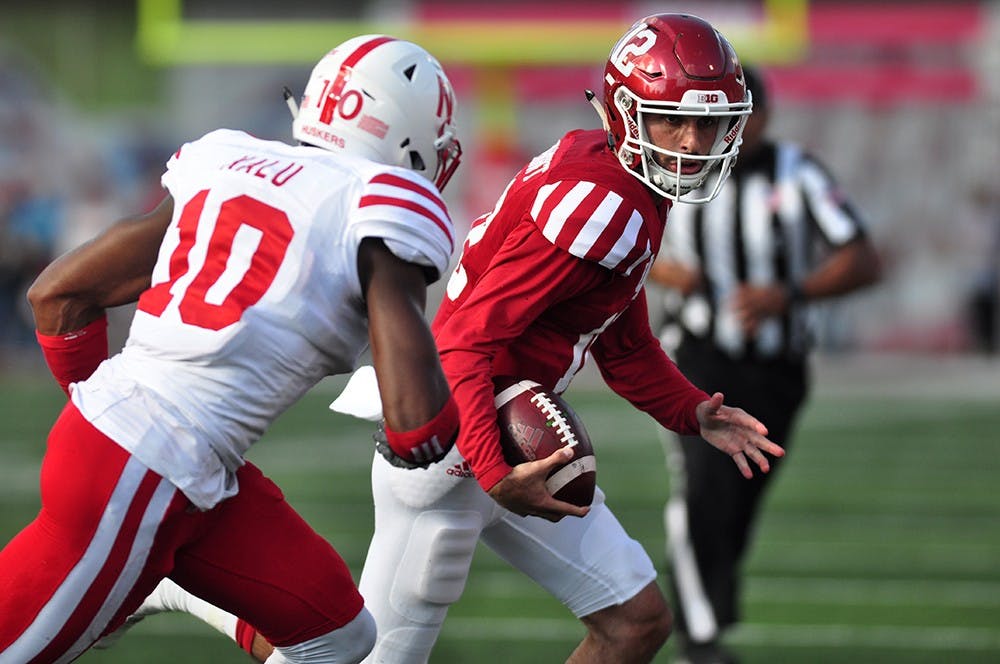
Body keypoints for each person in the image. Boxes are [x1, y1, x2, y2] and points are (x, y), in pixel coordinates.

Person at [107, 13, 785, 664]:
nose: (693, 143)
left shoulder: (616, 180)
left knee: (635, 621)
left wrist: (692, 410)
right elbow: (462, 339)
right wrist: (494, 474)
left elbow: (620, 335)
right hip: (456, 440)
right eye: (673, 120)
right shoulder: (609, 204)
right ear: (624, 112)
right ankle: (187, 586)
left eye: (709, 122)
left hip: (506, 427)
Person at [0, 34, 464, 664]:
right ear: (407, 141)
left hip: (180, 468)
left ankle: (159, 576)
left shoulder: (229, 160)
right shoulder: (379, 206)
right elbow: (418, 429)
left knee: (339, 634)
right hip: (147, 469)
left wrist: (97, 414)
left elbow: (57, 295)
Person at [649, 66, 882, 664]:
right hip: (696, 355)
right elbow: (625, 241)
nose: (725, 128)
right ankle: (700, 640)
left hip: (777, 367)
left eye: (737, 113)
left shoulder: (797, 173)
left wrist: (790, 295)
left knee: (738, 500)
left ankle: (709, 618)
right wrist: (673, 272)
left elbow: (862, 257)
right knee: (700, 488)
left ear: (763, 116)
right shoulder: (677, 167)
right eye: (711, 116)